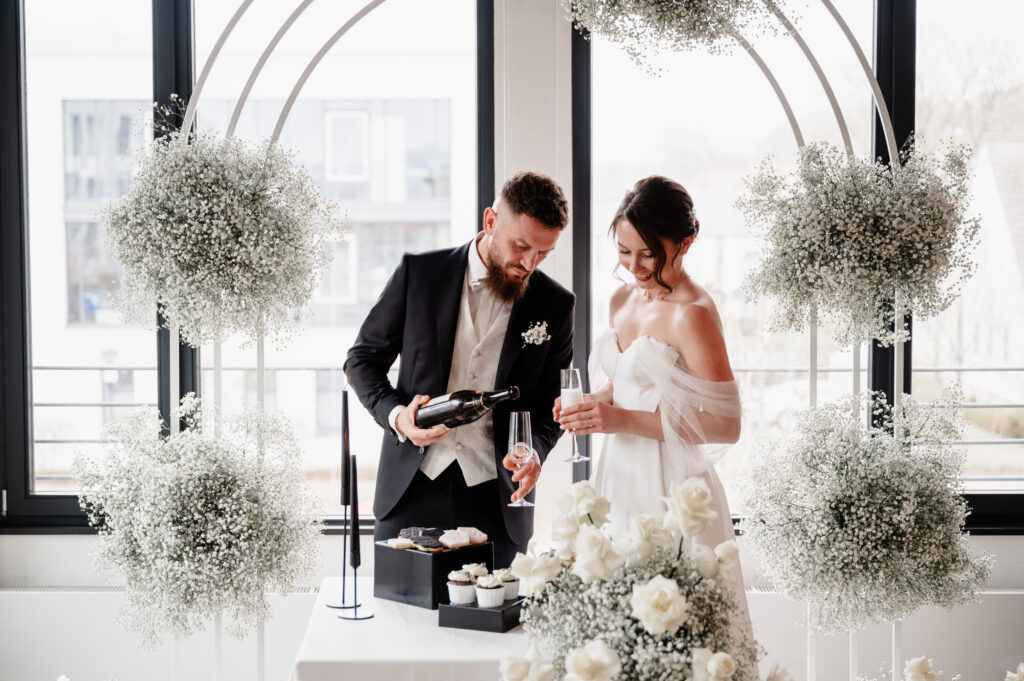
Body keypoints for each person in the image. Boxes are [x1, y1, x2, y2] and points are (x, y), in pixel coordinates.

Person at [554, 175, 752, 638]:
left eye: (649, 253)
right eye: (624, 252)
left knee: (679, 631)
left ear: (687, 242)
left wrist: (617, 418)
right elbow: (625, 385)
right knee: (617, 624)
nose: (635, 267)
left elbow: (726, 425)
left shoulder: (694, 313)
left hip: (674, 487)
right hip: (616, 475)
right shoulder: (621, 299)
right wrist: (589, 405)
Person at [345, 171, 575, 567]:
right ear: (490, 221)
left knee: (490, 622)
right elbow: (361, 361)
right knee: (403, 624)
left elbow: (549, 407)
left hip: (497, 501)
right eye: (520, 246)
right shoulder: (420, 275)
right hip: (411, 490)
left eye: (543, 253)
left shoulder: (556, 305)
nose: (528, 263)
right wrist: (399, 417)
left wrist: (532, 451)